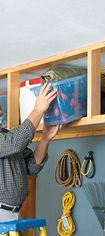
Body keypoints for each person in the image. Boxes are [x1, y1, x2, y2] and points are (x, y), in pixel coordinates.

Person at [0, 82, 61, 222]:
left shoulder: (5, 136)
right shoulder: (9, 141)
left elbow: (32, 166)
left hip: (13, 212)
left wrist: (45, 139)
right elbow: (15, 142)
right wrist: (38, 110)